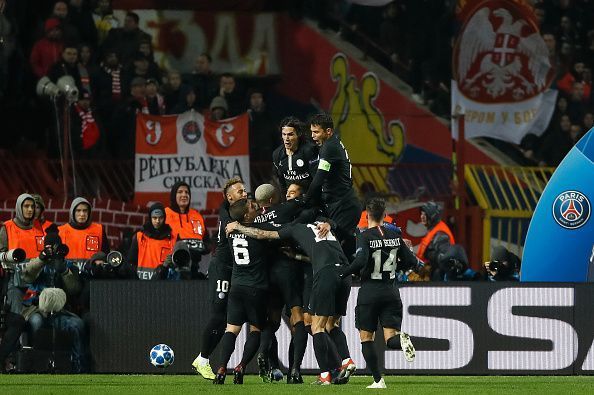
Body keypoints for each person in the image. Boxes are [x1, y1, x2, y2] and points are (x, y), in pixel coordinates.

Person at [226, 210, 353, 385]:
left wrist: (238, 226)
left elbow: (262, 234)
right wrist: (298, 254)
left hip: (325, 274)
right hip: (346, 274)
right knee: (332, 324)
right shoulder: (325, 228)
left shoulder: (295, 229)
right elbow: (321, 249)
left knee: (316, 326)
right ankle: (347, 360)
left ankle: (325, 375)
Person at [338, 197, 417, 389]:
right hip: (391, 292)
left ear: (367, 214)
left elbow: (360, 260)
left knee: (367, 338)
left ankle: (378, 381)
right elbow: (411, 262)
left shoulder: (364, 236)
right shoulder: (395, 236)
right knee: (390, 339)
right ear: (384, 215)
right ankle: (402, 339)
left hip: (370, 293)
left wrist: (344, 272)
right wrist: (397, 265)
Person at [213, 198, 276, 385]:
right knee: (257, 329)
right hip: (256, 288)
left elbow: (226, 212)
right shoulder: (258, 231)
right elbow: (267, 235)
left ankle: (222, 368)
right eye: (251, 206)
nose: (255, 207)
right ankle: (241, 366)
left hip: (236, 287)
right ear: (247, 215)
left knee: (231, 329)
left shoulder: (230, 231)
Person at [191, 177, 247, 380]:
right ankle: (203, 359)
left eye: (244, 190)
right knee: (218, 315)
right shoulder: (229, 214)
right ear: (230, 197)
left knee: (225, 319)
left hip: (234, 271)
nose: (245, 193)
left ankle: (203, 359)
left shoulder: (232, 211)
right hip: (222, 269)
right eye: (240, 191)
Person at [20, 232, 87, 373]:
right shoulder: (37, 262)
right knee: (36, 323)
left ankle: (79, 366)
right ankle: (35, 365)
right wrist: (41, 259)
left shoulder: (68, 265)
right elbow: (26, 277)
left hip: (61, 311)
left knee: (77, 325)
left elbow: (74, 289)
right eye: (49, 247)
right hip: (37, 309)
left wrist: (63, 270)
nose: (52, 250)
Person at [308, 113, 362, 259]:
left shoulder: (329, 147)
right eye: (312, 132)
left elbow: (319, 180)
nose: (313, 135)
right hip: (343, 204)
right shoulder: (331, 144)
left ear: (328, 131)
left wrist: (306, 200)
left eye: (316, 132)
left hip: (344, 206)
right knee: (339, 251)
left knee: (334, 252)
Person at [165, 182, 209, 278]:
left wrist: (200, 247)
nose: (184, 195)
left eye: (187, 192)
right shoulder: (165, 215)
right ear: (173, 195)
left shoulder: (197, 216)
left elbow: (207, 242)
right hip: (171, 270)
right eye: (180, 192)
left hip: (194, 268)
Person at [128, 203, 176, 280]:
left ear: (165, 218)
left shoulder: (172, 238)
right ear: (150, 218)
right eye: (154, 218)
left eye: (160, 218)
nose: (157, 221)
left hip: (163, 282)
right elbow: (131, 263)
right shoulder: (139, 237)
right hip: (141, 282)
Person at [272, 116, 318, 196]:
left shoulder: (309, 151)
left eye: (290, 134)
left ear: (298, 134)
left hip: (309, 198)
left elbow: (317, 179)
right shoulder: (277, 154)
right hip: (290, 200)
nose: (286, 138)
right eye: (284, 134)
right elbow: (282, 182)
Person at [58, 197, 109, 266]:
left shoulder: (99, 230)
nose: (82, 214)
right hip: (68, 274)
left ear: (89, 212)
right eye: (78, 211)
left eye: (85, 211)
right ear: (72, 212)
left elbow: (106, 255)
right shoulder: (60, 231)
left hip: (91, 275)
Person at [416, 201, 455, 280]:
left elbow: (443, 259)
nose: (422, 217)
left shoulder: (441, 234)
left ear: (432, 216)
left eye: (425, 214)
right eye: (421, 214)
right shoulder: (433, 229)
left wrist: (428, 260)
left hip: (439, 279)